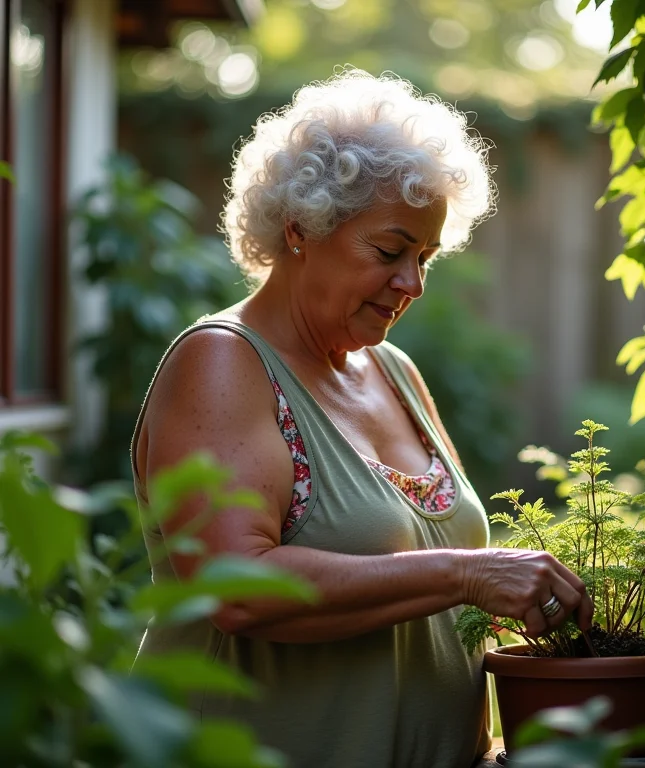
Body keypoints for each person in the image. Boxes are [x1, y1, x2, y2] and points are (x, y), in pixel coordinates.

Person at [130, 68, 593, 768]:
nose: (413, 283)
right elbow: (235, 588)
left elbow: (433, 620)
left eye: (426, 256)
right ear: (299, 229)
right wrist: (467, 573)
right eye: (389, 250)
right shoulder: (223, 365)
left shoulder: (395, 374)